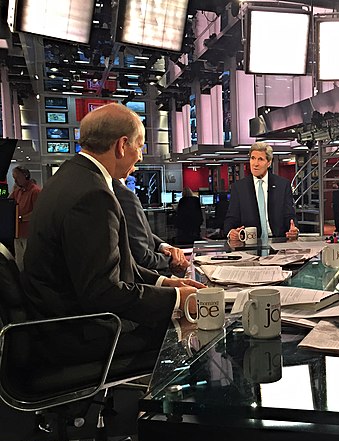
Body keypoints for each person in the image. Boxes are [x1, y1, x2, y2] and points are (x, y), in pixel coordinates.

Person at [22, 103, 203, 362]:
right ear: (121, 145)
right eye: (139, 146)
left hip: (55, 326)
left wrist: (166, 283)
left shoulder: (69, 176)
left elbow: (113, 268)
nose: (140, 156)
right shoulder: (93, 195)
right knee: (188, 339)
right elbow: (103, 292)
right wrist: (177, 300)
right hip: (77, 336)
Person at [113, 170, 189, 276]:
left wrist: (163, 246)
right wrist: (173, 259)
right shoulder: (123, 195)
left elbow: (137, 231)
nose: (134, 168)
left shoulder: (136, 193)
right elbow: (142, 256)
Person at [224, 142, 298, 241]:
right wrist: (231, 232)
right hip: (249, 243)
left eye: (260, 159)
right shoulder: (238, 188)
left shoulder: (282, 185)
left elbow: (290, 215)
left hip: (278, 243)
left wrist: (294, 230)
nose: (255, 164)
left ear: (269, 162)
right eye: (253, 158)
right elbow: (231, 218)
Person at [8, 166, 41, 271]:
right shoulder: (18, 191)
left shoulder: (35, 191)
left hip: (29, 233)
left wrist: (21, 218)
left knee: (30, 262)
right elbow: (8, 203)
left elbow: (37, 212)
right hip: (18, 233)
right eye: (14, 178)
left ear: (25, 176)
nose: (15, 181)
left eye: (17, 178)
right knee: (19, 262)